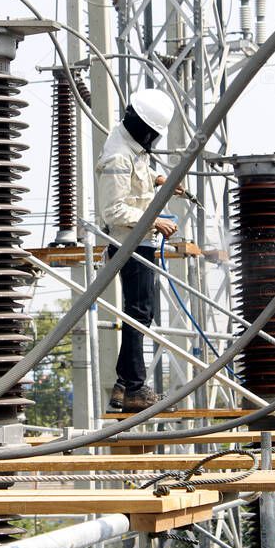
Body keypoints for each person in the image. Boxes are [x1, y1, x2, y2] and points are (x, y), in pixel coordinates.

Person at [95, 89, 181, 412]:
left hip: (137, 241)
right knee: (140, 312)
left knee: (140, 311)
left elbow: (135, 175)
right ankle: (133, 387)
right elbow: (113, 211)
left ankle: (123, 385)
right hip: (129, 242)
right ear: (145, 128)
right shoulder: (119, 154)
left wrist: (157, 180)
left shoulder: (128, 144)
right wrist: (155, 221)